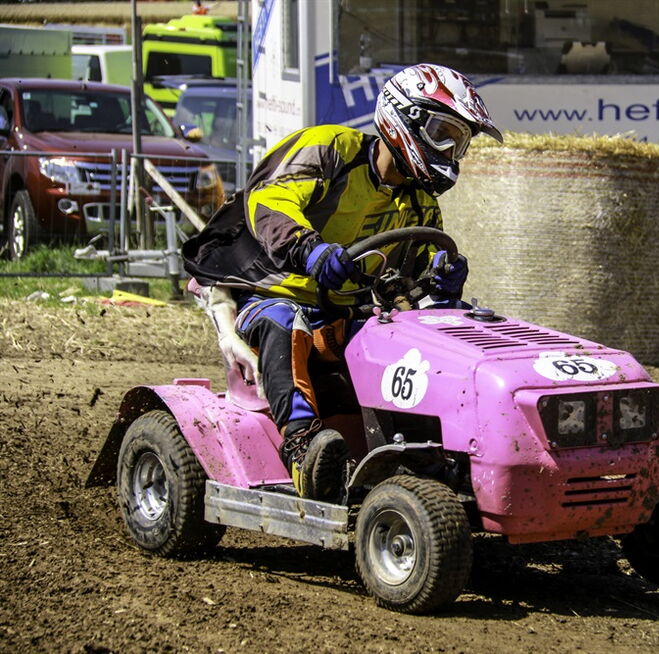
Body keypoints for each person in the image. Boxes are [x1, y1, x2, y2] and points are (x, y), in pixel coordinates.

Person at [182, 64, 503, 501]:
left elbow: (413, 282)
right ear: (405, 118)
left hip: (346, 313)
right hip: (264, 292)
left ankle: (442, 451)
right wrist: (310, 250)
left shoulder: (420, 202)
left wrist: (442, 283)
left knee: (424, 334)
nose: (451, 151)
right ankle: (303, 451)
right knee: (285, 319)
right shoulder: (330, 149)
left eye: (459, 142)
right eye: (443, 133)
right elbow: (270, 201)